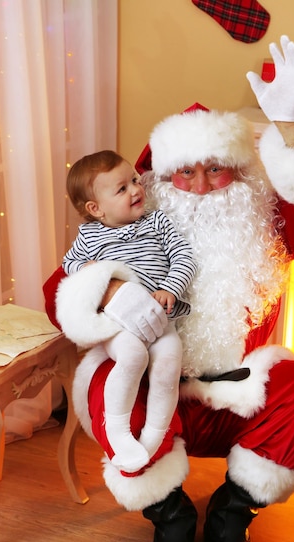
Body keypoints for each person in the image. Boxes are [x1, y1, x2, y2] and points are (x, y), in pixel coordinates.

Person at [44, 36, 294, 542]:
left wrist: (292, 128)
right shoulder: (123, 229)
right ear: (156, 181)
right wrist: (112, 287)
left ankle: (230, 519)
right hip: (159, 393)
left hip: (242, 395)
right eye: (183, 173)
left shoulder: (264, 217)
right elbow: (59, 291)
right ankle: (171, 521)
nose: (199, 186)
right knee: (101, 383)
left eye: (216, 170)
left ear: (241, 174)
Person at [61, 150, 196, 473]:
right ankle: (118, 432)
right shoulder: (91, 235)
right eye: (121, 189)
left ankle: (153, 435)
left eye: (134, 180)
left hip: (161, 319)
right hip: (117, 324)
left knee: (167, 365)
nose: (136, 190)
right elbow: (69, 264)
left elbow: (184, 258)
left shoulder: (158, 221)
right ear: (96, 209)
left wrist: (169, 289)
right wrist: (90, 269)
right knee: (133, 357)